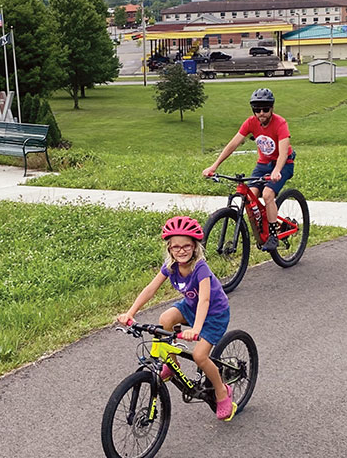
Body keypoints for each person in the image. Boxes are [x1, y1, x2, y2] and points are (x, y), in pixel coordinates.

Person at [116, 216, 236, 421]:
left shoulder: (200, 268)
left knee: (199, 356)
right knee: (165, 318)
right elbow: (150, 289)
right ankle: (172, 366)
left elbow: (205, 300)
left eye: (186, 246)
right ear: (169, 248)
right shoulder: (170, 265)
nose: (181, 250)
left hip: (214, 314)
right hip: (190, 307)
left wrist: (196, 329)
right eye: (176, 247)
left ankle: (222, 392)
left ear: (195, 247)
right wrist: (131, 313)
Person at [202, 88, 294, 251]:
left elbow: (283, 151)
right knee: (251, 197)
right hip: (262, 165)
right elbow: (233, 144)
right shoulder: (250, 122)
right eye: (257, 110)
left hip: (283, 164)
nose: (261, 113)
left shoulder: (280, 123)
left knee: (267, 194)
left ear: (272, 108)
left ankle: (273, 236)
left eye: (265, 109)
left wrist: (277, 170)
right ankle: (270, 223)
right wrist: (214, 165)